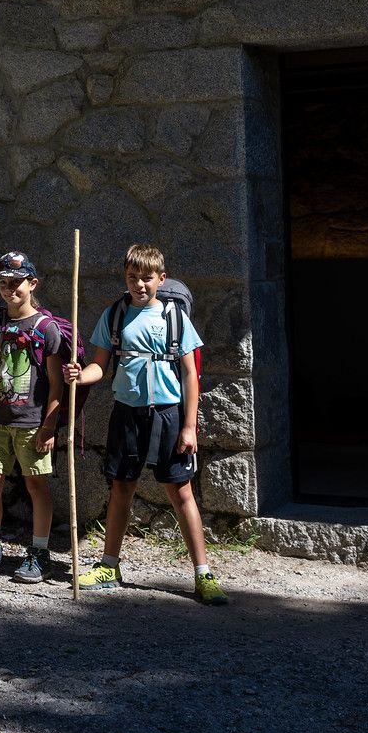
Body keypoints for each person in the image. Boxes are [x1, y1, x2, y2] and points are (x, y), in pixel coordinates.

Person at [61, 244, 226, 603]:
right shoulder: (115, 314)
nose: (139, 284)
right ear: (126, 277)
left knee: (180, 491)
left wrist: (188, 426)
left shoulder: (175, 318)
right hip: (127, 412)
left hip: (168, 414)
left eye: (147, 278)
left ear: (161, 279)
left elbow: (190, 376)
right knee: (122, 487)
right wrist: (79, 375)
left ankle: (203, 574)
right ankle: (109, 565)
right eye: (132, 277)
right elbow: (100, 366)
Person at [0, 252, 67, 584]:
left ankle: (39, 551)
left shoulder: (46, 329)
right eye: (3, 284)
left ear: (32, 284)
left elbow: (55, 384)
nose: (9, 290)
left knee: (35, 485)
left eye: (16, 283)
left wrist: (50, 425)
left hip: (32, 423)